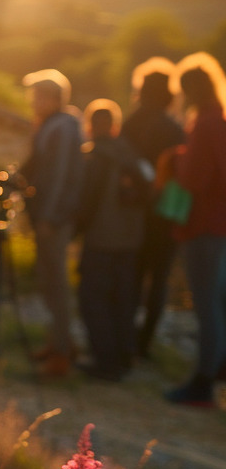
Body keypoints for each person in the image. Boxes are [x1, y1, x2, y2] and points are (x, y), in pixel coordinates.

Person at [166, 53, 226, 406]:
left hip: (204, 224)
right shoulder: (220, 119)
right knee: (218, 302)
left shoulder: (204, 123)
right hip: (220, 225)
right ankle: (215, 372)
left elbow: (193, 178)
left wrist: (177, 159)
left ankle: (202, 384)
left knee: (206, 306)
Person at [19, 69, 83, 378]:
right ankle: (59, 342)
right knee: (48, 280)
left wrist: (49, 216)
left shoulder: (64, 127)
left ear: (53, 98)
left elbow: (58, 177)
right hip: (48, 215)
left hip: (54, 219)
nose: (33, 102)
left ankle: (62, 354)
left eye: (37, 97)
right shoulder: (52, 125)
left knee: (56, 283)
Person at [76, 99, 146, 381]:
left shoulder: (94, 156)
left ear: (90, 126)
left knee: (94, 299)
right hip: (130, 243)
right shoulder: (131, 154)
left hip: (101, 240)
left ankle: (104, 361)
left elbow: (86, 202)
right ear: (115, 127)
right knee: (123, 300)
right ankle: (124, 355)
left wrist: (75, 231)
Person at [121, 58, 185, 358]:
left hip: (135, 214)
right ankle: (144, 345)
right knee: (158, 280)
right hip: (167, 214)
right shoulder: (176, 129)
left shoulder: (133, 123)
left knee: (132, 276)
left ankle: (126, 339)